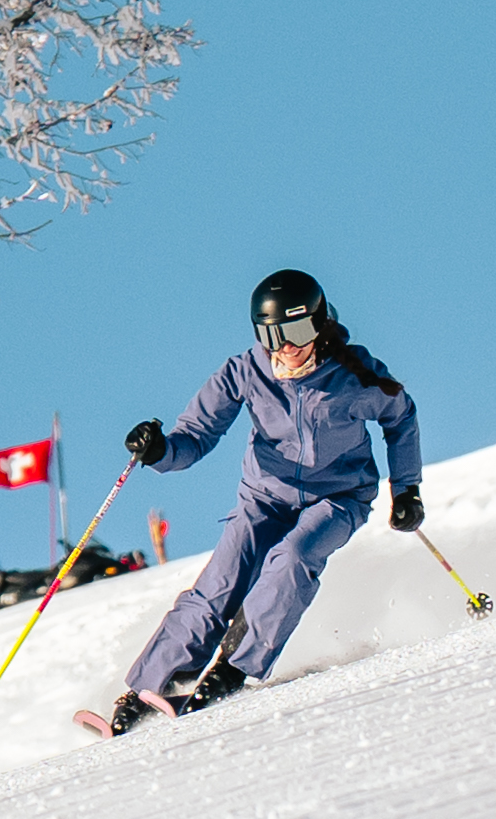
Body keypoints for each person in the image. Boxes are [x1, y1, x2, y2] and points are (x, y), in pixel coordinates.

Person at [93, 268, 426, 731]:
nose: (286, 346)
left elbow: (401, 417)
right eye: (273, 335)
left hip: (339, 496)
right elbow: (195, 435)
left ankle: (233, 668)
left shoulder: (355, 372)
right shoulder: (245, 371)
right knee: (220, 584)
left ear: (320, 322)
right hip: (264, 500)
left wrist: (406, 488)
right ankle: (152, 686)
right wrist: (160, 450)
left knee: (292, 558)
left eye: (297, 330)